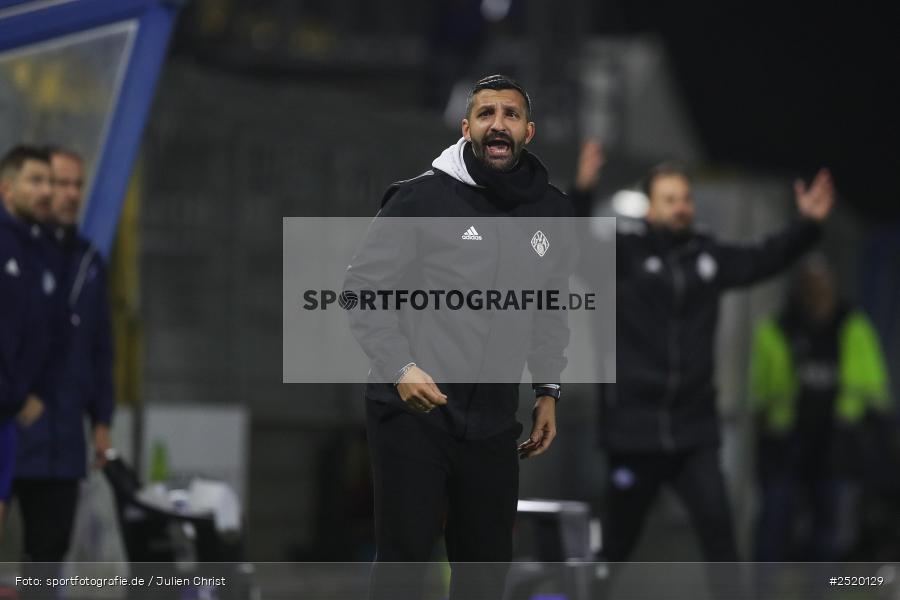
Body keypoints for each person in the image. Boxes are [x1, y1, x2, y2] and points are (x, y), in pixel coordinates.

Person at [344, 74, 573, 600]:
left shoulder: (553, 212)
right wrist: (400, 367)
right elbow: (360, 289)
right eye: (487, 113)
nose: (499, 124)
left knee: (486, 572)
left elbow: (549, 305)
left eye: (510, 114)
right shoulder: (419, 199)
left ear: (528, 131)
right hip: (412, 413)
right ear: (467, 127)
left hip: (494, 421)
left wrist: (547, 390)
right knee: (404, 567)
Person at [751, 256, 890, 566]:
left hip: (835, 444)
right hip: (786, 443)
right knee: (775, 522)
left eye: (822, 285)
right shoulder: (777, 328)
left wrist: (870, 432)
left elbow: (874, 386)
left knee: (827, 527)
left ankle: (820, 591)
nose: (817, 293)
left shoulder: (852, 327)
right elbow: (760, 393)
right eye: (810, 286)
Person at [13, 147, 114, 564]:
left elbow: (101, 348)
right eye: (60, 184)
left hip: (63, 445)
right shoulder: (15, 256)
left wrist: (102, 419)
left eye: (78, 185)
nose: (70, 194)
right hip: (14, 434)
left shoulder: (89, 261)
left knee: (47, 564)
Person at [0, 145, 56, 541]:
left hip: (6, 420)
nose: (46, 190)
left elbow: (44, 333)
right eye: (35, 180)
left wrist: (37, 389)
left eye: (49, 181)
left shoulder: (40, 251)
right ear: (7, 188)